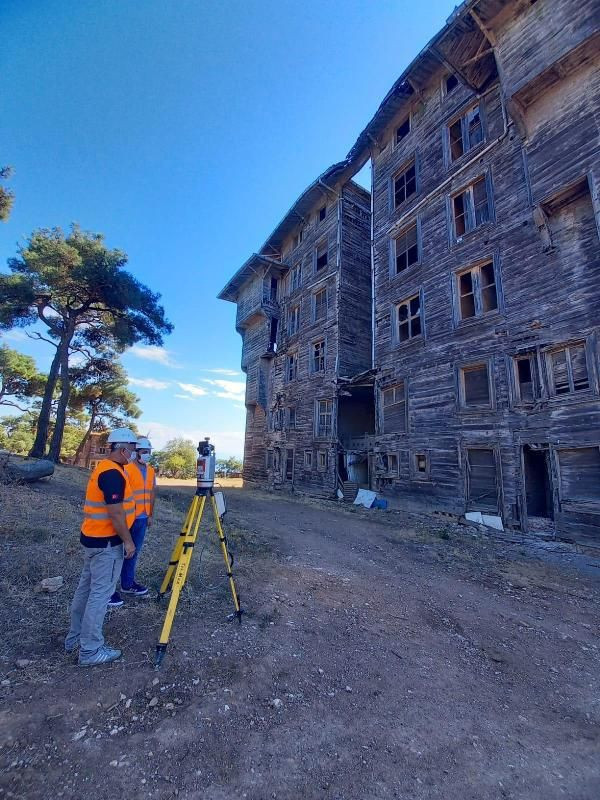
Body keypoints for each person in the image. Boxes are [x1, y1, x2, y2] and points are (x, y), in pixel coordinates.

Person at [64, 428, 138, 666]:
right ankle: (90, 650)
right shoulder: (112, 473)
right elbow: (116, 513)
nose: (134, 454)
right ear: (123, 448)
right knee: (100, 595)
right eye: (133, 449)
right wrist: (128, 540)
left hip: (93, 539)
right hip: (107, 544)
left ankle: (75, 639)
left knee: (86, 590)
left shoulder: (108, 469)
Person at [108, 436, 156, 605]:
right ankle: (108, 590)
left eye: (149, 452)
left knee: (133, 553)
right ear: (135, 452)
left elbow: (151, 493)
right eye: (144, 452)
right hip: (126, 519)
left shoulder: (150, 470)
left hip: (142, 518)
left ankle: (128, 584)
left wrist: (150, 514)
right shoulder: (126, 469)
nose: (147, 455)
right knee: (117, 554)